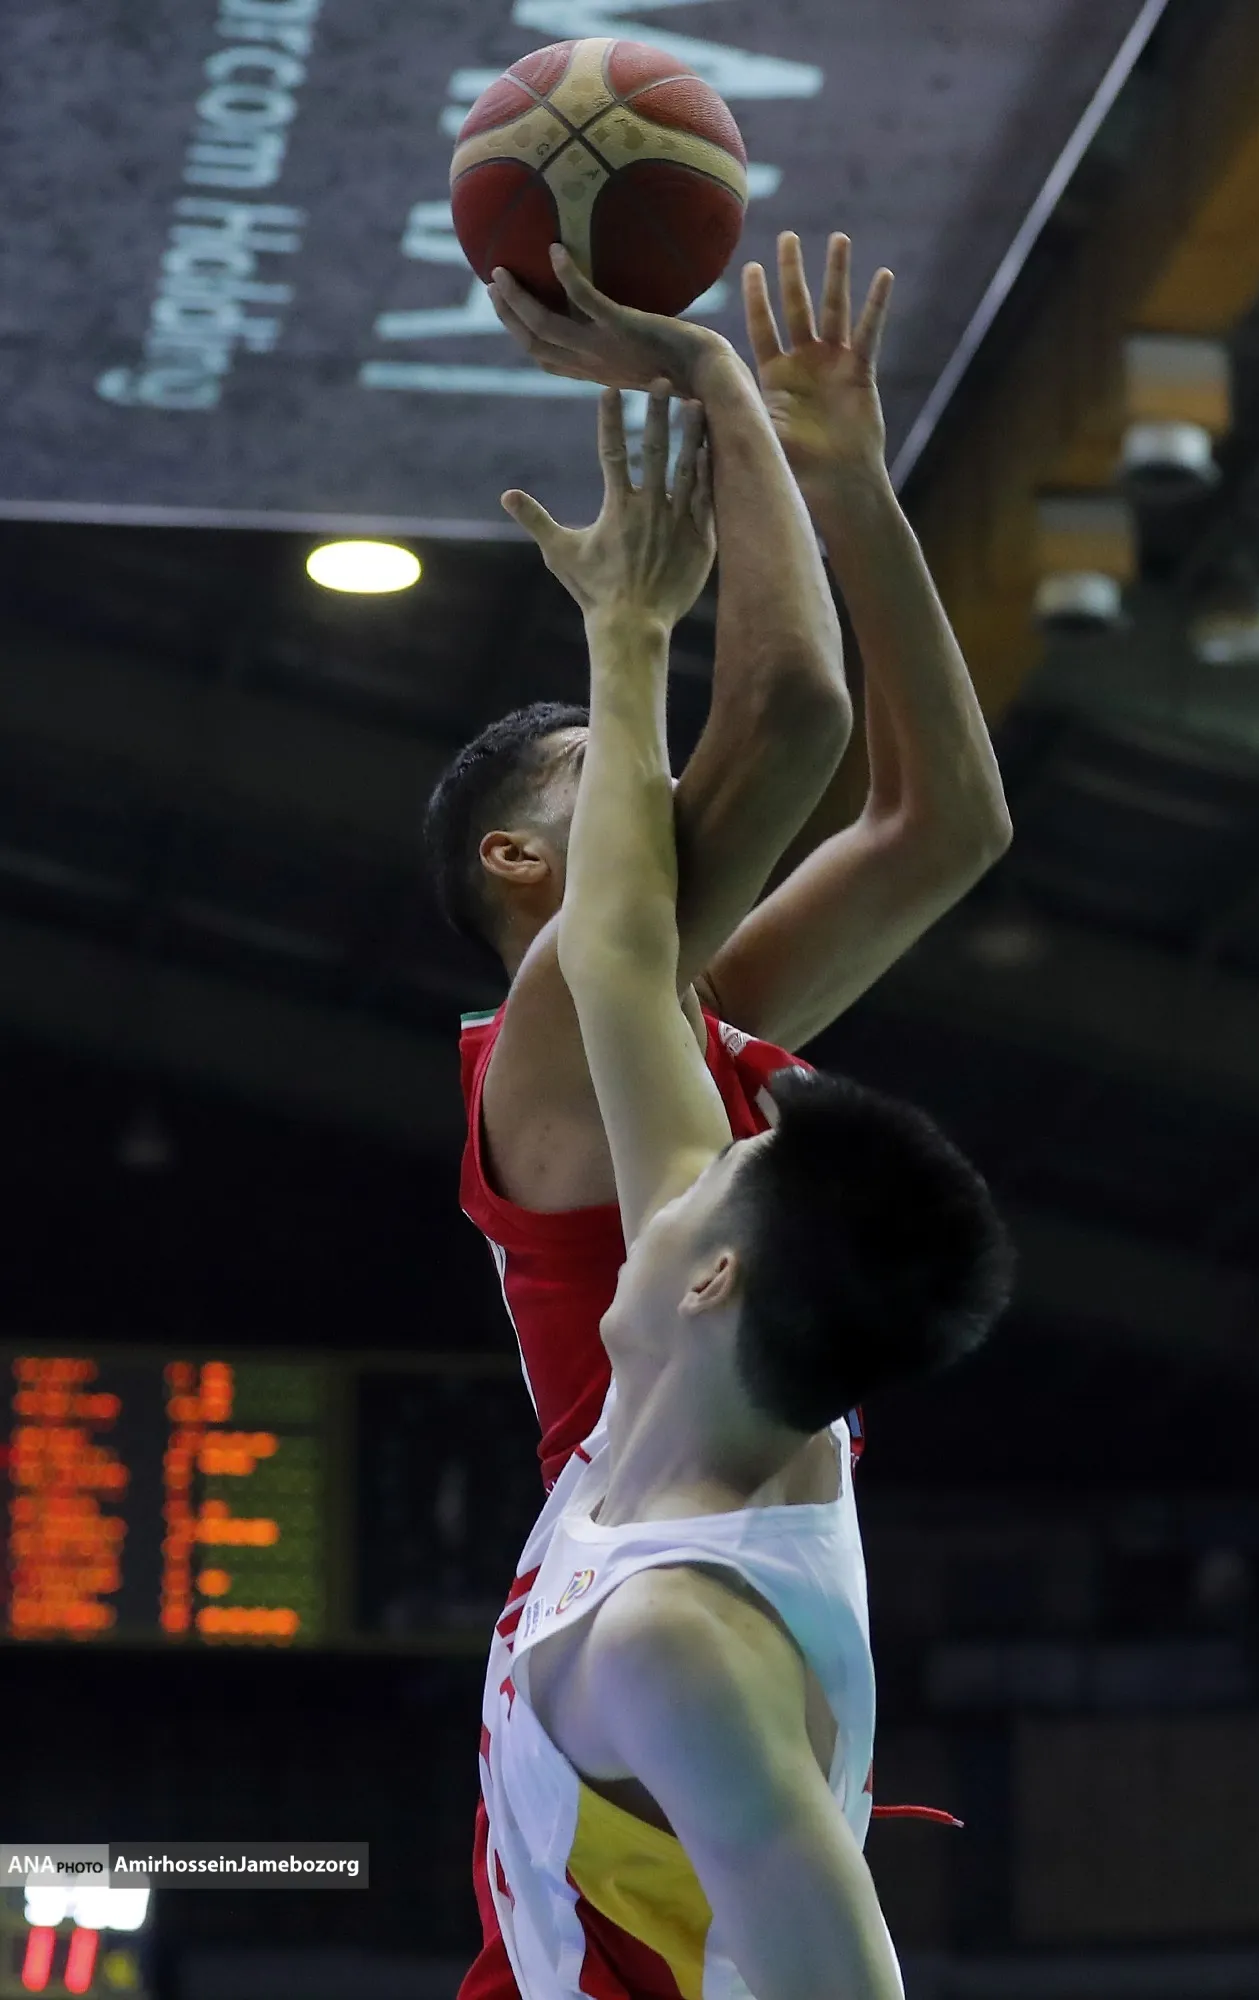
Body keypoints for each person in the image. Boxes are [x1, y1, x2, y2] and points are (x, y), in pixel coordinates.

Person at [429, 232, 1013, 2000]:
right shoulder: (553, 1039)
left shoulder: (677, 1056)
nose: (667, 782)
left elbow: (938, 826)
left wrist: (835, 475)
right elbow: (797, 714)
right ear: (518, 859)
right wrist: (730, 399)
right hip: (654, 1563)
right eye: (611, 775)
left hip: (670, 1551)